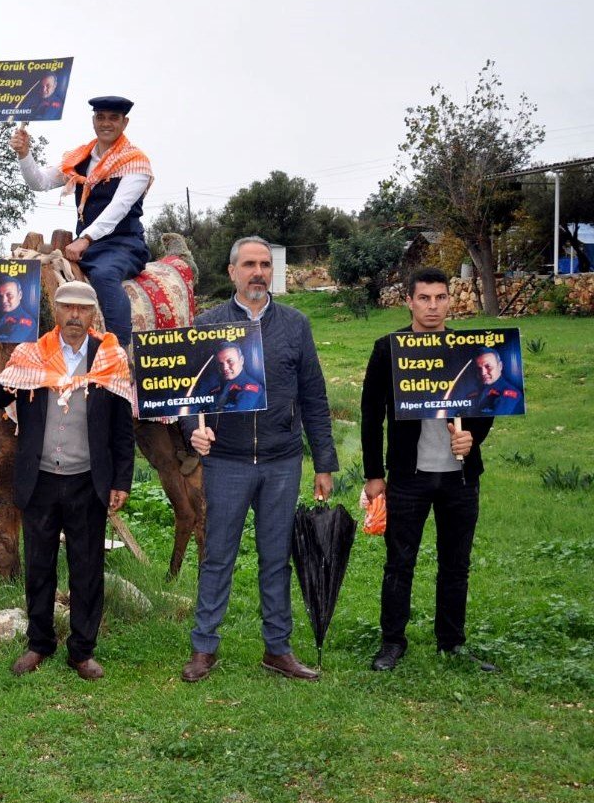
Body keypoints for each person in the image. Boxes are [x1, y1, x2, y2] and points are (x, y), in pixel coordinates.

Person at [180, 237, 338, 683]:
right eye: (249, 264)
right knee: (217, 557)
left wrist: (323, 462)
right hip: (226, 461)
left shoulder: (296, 325)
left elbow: (314, 396)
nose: (258, 272)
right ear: (231, 272)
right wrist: (194, 429)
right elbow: (186, 393)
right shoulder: (208, 325)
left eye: (265, 265)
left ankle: (278, 649)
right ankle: (203, 648)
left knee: (275, 558)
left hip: (281, 460)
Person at [0, 281, 134, 680]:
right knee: (39, 566)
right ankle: (39, 644)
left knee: (87, 568)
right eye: (67, 308)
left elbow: (121, 429)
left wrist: (121, 481)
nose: (75, 316)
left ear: (93, 315)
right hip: (39, 480)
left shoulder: (111, 357)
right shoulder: (31, 355)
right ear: (55, 313)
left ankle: (82, 651)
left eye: (83, 309)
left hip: (87, 480)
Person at [361, 268, 498, 673]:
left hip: (459, 476)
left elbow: (484, 405)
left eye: (440, 298)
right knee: (399, 563)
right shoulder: (388, 349)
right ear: (409, 301)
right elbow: (371, 417)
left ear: (449, 301)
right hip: (409, 476)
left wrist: (472, 436)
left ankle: (452, 643)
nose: (433, 306)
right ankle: (391, 642)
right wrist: (374, 474)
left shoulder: (466, 348)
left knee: (456, 564)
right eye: (424, 298)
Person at [11, 95, 153, 348]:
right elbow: (39, 182)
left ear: (125, 122)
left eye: (113, 118)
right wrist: (24, 154)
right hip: (84, 246)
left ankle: (120, 351)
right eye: (101, 117)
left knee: (106, 275)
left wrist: (85, 238)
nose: (106, 123)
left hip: (122, 244)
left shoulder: (136, 162)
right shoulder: (80, 158)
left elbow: (118, 208)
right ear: (93, 120)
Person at [466, 349, 524, 416]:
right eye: (479, 368)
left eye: (488, 366)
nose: (483, 373)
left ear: (500, 366)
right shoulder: (478, 393)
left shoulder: (509, 393)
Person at [212, 342, 265, 413]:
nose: (225, 368)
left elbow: (236, 413)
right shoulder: (223, 385)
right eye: (221, 364)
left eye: (230, 361)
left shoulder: (251, 387)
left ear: (241, 360)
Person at [0, 278, 36, 342]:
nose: (3, 301)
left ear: (20, 295)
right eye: (0, 296)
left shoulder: (27, 321)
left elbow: (8, 342)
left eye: (9, 295)